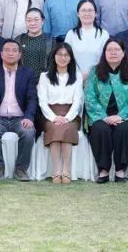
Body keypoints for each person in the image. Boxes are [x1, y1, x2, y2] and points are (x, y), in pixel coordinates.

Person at [84, 39, 128, 183]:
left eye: (117, 49)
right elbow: (90, 97)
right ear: (104, 53)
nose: (113, 53)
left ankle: (120, 171)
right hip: (101, 117)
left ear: (123, 53)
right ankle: (103, 170)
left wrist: (120, 116)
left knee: (125, 129)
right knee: (101, 129)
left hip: (125, 117)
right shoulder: (95, 72)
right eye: (109, 50)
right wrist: (103, 116)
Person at [0, 40, 39, 180]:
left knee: (28, 132)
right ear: (1, 54)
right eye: (7, 50)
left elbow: (32, 98)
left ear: (19, 55)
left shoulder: (28, 73)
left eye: (14, 50)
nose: (10, 53)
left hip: (20, 118)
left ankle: (21, 169)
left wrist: (29, 117)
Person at [37, 42, 84, 184]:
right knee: (55, 127)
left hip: (71, 114)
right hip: (50, 114)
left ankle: (66, 170)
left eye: (66, 55)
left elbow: (77, 101)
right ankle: (57, 170)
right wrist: (53, 117)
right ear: (54, 56)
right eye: (59, 54)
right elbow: (42, 101)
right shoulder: (44, 77)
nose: (63, 58)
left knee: (66, 127)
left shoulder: (77, 76)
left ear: (71, 58)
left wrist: (67, 118)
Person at [63, 0, 110, 78]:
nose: (87, 13)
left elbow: (106, 59)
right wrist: (79, 76)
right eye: (83, 10)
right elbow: (66, 58)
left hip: (97, 77)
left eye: (90, 10)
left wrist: (91, 75)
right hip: (74, 78)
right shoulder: (71, 34)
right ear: (78, 14)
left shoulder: (103, 34)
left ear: (96, 13)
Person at [14, 8, 52, 77]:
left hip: (44, 80)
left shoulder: (50, 40)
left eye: (36, 19)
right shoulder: (19, 39)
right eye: (29, 20)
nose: (32, 23)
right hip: (23, 79)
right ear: (25, 22)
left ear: (43, 21)